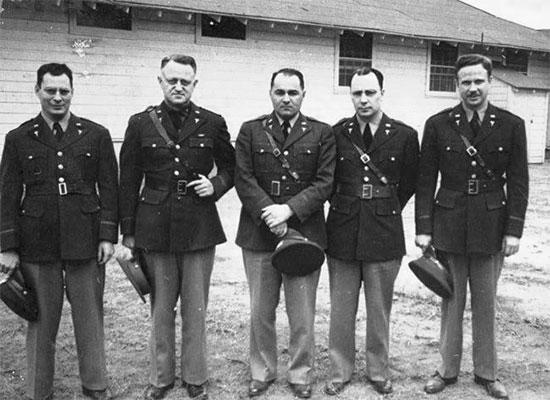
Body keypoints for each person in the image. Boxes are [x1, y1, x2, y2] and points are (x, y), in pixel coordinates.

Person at [118, 54, 235, 400]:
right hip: (154, 227)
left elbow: (231, 169)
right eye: (172, 80)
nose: (178, 86)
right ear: (160, 82)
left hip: (199, 227)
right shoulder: (140, 123)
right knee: (161, 308)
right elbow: (129, 181)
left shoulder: (213, 122)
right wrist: (128, 234)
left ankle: (195, 376)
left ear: (195, 84)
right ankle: (161, 377)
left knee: (195, 309)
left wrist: (215, 186)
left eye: (185, 81)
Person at [0, 63, 118, 400]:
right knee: (40, 321)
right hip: (37, 241)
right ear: (37, 90)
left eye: (64, 90)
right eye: (50, 90)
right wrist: (7, 246)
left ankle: (95, 386)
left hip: (86, 238)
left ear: (72, 92)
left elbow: (109, 187)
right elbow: (7, 194)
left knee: (90, 319)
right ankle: (40, 391)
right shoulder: (18, 137)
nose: (57, 97)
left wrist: (108, 235)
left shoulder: (95, 134)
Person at [415, 54, 529, 400]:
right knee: (451, 300)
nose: (472, 88)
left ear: (490, 82)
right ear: (456, 85)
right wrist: (424, 227)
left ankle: (487, 374)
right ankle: (446, 371)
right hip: (449, 223)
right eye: (465, 82)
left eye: (479, 81)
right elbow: (425, 180)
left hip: (492, 225)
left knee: (485, 302)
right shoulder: (438, 124)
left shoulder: (511, 124)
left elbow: (520, 182)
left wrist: (514, 230)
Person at [234, 68, 336, 399]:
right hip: (259, 233)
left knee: (302, 312)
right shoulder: (251, 130)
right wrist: (270, 215)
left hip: (304, 235)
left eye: (293, 92)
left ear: (304, 94)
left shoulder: (322, 133)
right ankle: (262, 371)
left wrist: (288, 211)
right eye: (280, 92)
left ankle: (300, 374)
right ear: (270, 93)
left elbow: (324, 182)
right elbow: (243, 178)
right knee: (261, 310)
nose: (286, 98)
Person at [323, 67, 419, 396]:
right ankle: (340, 371)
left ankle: (378, 371)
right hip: (342, 231)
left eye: (370, 93)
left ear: (381, 93)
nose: (363, 100)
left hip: (383, 231)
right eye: (357, 93)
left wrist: (382, 205)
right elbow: (329, 180)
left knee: (379, 309)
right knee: (341, 308)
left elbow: (408, 183)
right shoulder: (336, 133)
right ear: (350, 95)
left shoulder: (405, 135)